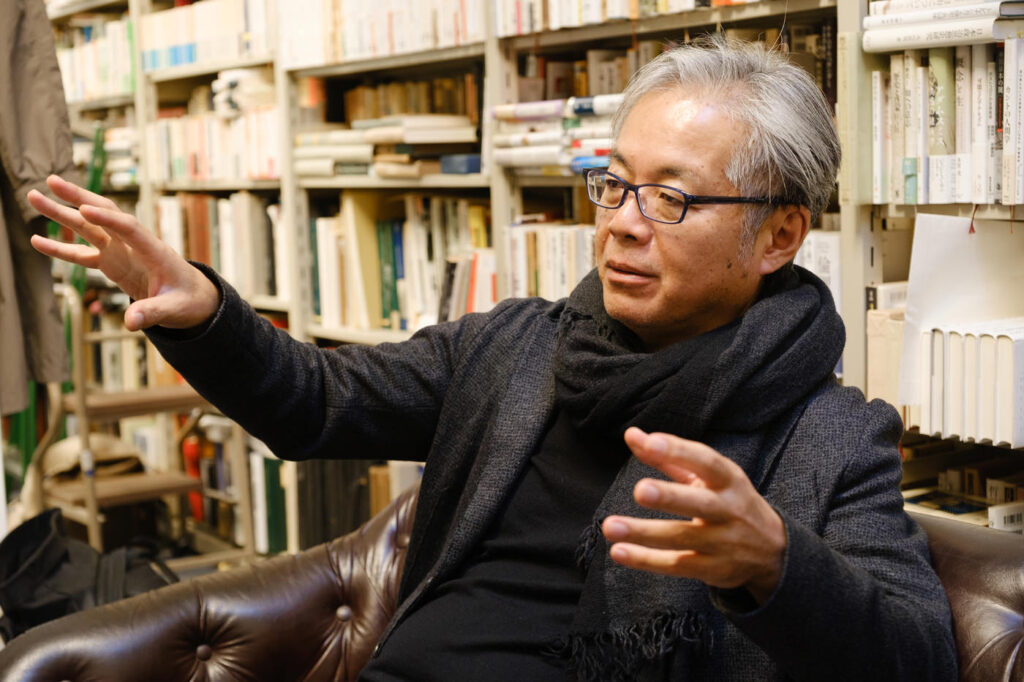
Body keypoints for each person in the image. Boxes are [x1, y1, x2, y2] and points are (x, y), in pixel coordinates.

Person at [28, 36, 957, 681]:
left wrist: (774, 564)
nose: (623, 225)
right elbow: (315, 403)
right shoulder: (517, 347)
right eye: (615, 185)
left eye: (671, 198)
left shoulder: (832, 437)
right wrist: (203, 311)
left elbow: (916, 658)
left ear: (780, 236)